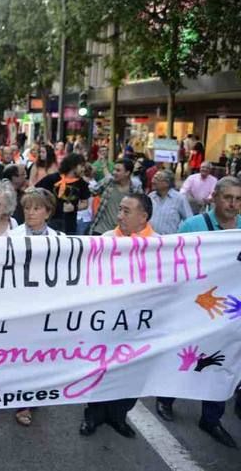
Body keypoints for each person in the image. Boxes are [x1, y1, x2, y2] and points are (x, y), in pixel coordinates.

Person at [155, 177, 241, 448]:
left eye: (239, 199)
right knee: (186, 356)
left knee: (222, 362)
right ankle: (166, 399)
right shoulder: (193, 227)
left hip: (229, 312)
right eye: (228, 197)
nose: (233, 204)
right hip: (194, 307)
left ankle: (211, 418)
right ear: (214, 197)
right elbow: (174, 263)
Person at [80, 194, 158, 440]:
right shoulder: (105, 241)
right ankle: (93, 414)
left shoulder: (160, 246)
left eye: (126, 211)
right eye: (120, 210)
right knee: (101, 367)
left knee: (132, 370)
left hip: (139, 323)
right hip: (106, 321)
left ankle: (118, 415)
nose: (119, 216)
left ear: (143, 217)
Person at [36, 153, 89, 234]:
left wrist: (74, 207)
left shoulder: (82, 184)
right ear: (73, 166)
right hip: (51, 221)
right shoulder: (53, 178)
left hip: (70, 224)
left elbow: (85, 204)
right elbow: (35, 190)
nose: (83, 169)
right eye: (81, 166)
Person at [89, 159, 143, 235]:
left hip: (122, 233)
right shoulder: (108, 181)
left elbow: (141, 209)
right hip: (101, 230)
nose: (114, 172)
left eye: (118, 170)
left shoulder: (135, 189)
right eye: (114, 169)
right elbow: (92, 191)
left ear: (127, 173)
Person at [148, 170, 193, 235]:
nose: (152, 181)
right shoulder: (151, 196)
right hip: (151, 239)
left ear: (167, 183)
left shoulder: (180, 199)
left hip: (169, 241)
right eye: (153, 178)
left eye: (156, 179)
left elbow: (189, 220)